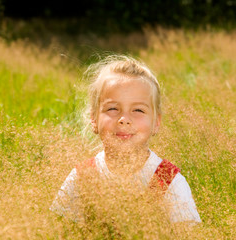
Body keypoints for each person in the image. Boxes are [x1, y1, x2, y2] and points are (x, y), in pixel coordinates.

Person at [50, 55, 201, 224]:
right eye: (113, 108)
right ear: (94, 119)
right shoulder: (83, 177)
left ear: (156, 123)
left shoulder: (167, 180)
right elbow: (58, 232)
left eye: (138, 110)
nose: (124, 118)